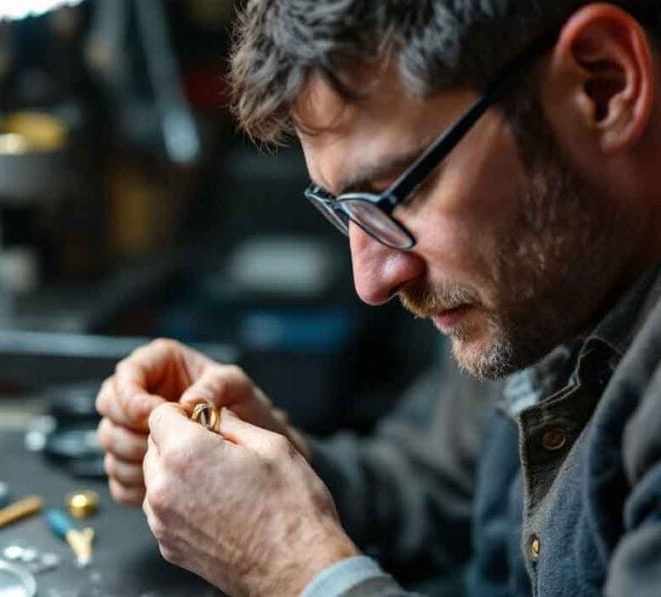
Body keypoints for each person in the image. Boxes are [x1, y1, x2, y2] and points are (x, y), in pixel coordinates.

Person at [95, 1, 661, 595]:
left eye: (397, 193)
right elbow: (435, 485)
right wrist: (279, 469)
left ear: (603, 85)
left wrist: (289, 565)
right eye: (347, 210)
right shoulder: (544, 287)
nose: (374, 281)